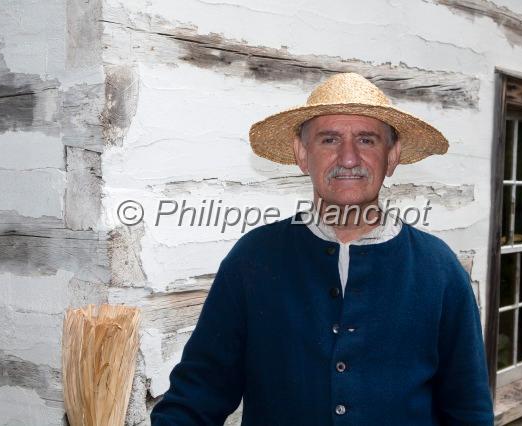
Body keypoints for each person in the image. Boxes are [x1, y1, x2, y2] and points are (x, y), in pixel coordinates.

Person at [151, 73, 494, 425]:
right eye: (329, 139)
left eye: (366, 139)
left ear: (392, 156)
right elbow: (196, 397)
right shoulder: (253, 259)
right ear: (303, 154)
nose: (348, 157)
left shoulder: (440, 271)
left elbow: (468, 412)